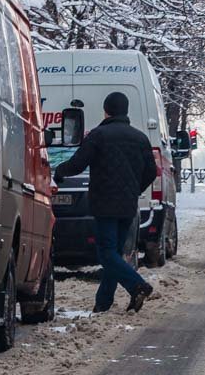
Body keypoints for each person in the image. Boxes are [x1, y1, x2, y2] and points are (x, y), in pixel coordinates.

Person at [53, 91, 158, 313]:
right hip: (128, 205)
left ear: (107, 110)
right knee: (114, 254)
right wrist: (134, 190)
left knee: (105, 253)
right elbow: (151, 171)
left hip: (104, 203)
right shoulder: (140, 138)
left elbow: (78, 163)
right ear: (125, 110)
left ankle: (137, 285)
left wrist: (59, 172)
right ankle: (103, 303)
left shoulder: (98, 135)